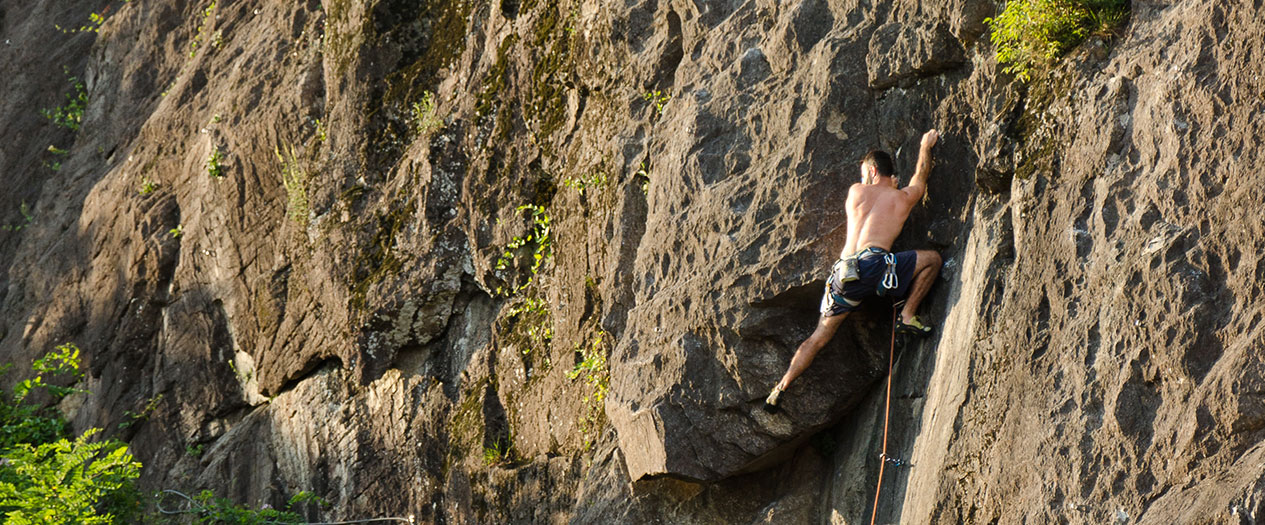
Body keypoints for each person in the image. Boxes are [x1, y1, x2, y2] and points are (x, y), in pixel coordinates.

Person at [765, 129, 944, 410]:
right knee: (932, 259)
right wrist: (925, 146)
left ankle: (781, 385)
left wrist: (885, 187)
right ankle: (907, 315)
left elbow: (873, 197)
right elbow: (920, 178)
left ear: (871, 171)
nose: (862, 178)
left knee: (819, 336)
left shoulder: (855, 192)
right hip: (874, 266)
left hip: (842, 276)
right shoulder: (901, 198)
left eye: (864, 173)